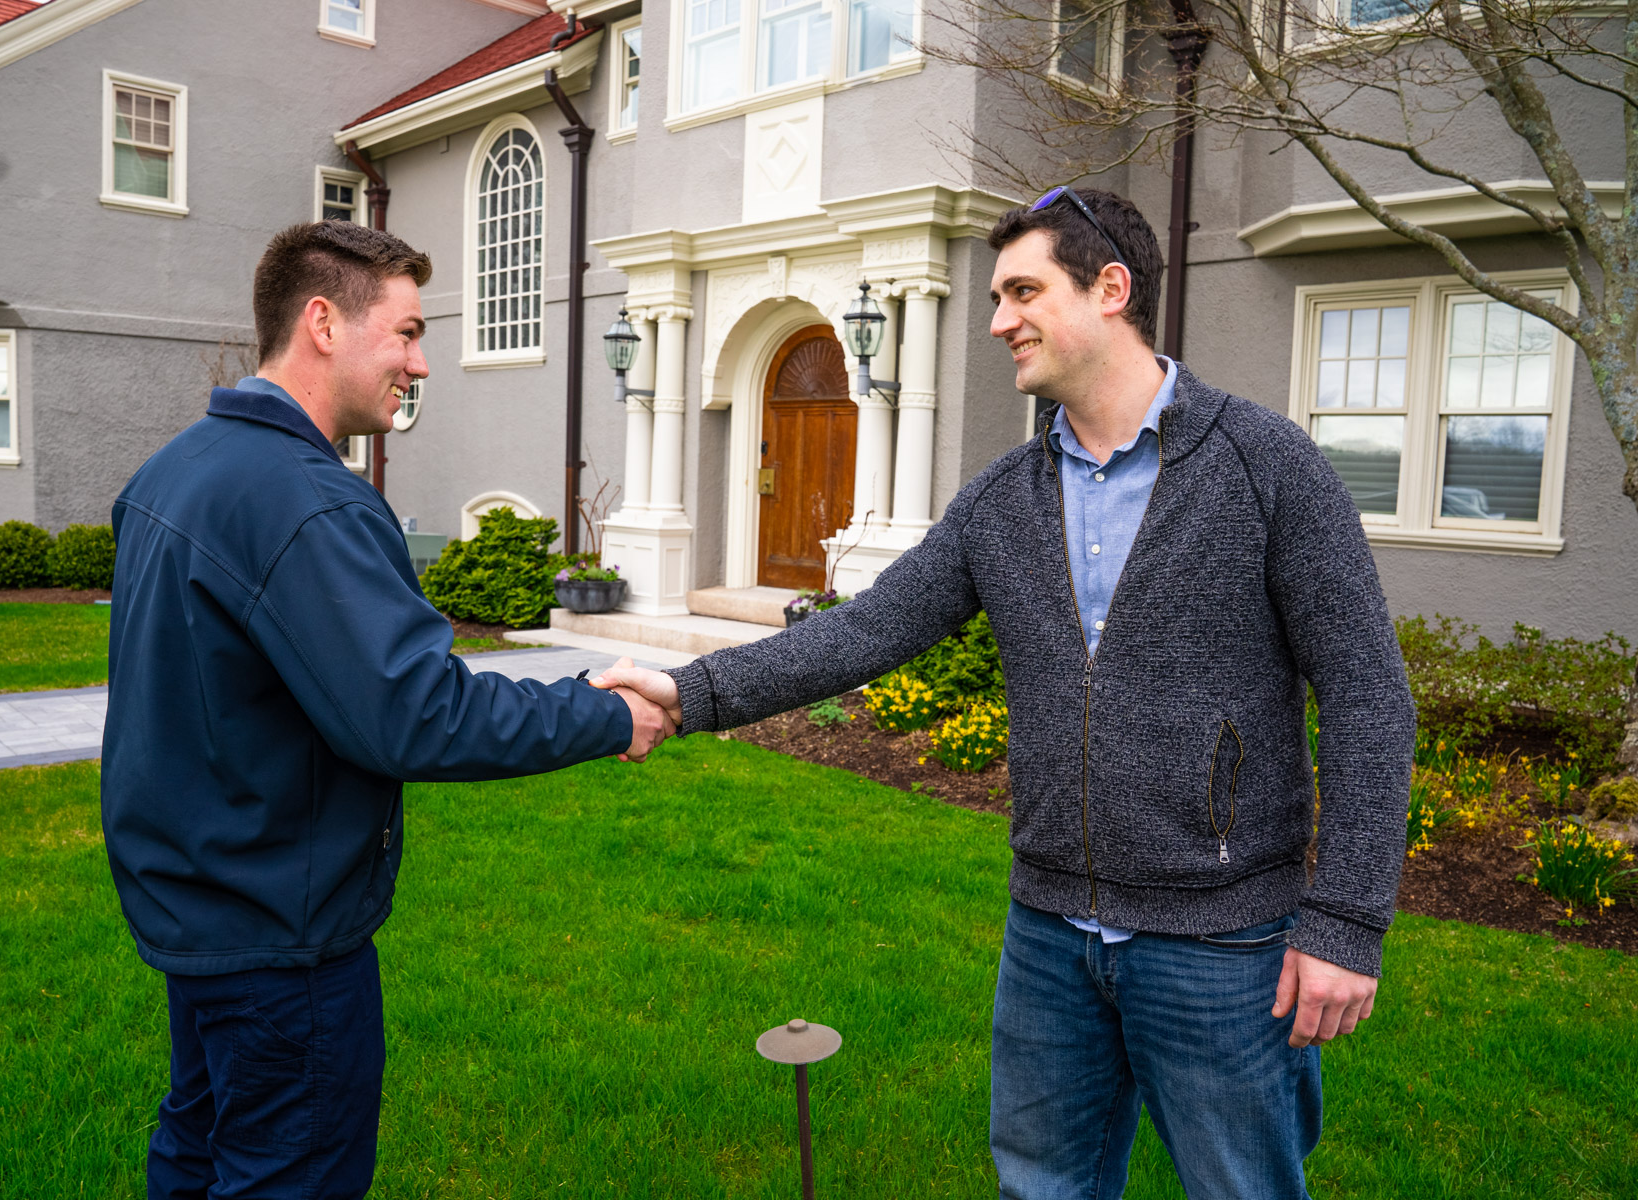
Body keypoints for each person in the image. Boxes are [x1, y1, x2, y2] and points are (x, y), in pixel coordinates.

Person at [594, 188, 1416, 1199]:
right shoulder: (1002, 499)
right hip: (1048, 938)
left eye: (1022, 290)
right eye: (994, 295)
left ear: (1109, 288)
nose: (997, 321)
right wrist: (687, 692)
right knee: (1042, 1188)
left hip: (1223, 940)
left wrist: (1344, 923)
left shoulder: (1265, 464)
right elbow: (866, 629)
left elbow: (1369, 692)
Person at [101, 220, 675, 1199]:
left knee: (198, 1150)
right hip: (281, 942)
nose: (419, 362)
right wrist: (604, 714)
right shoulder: (306, 502)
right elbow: (414, 713)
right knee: (285, 1168)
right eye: (407, 332)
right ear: (323, 322)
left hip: (196, 914)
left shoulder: (175, 472)